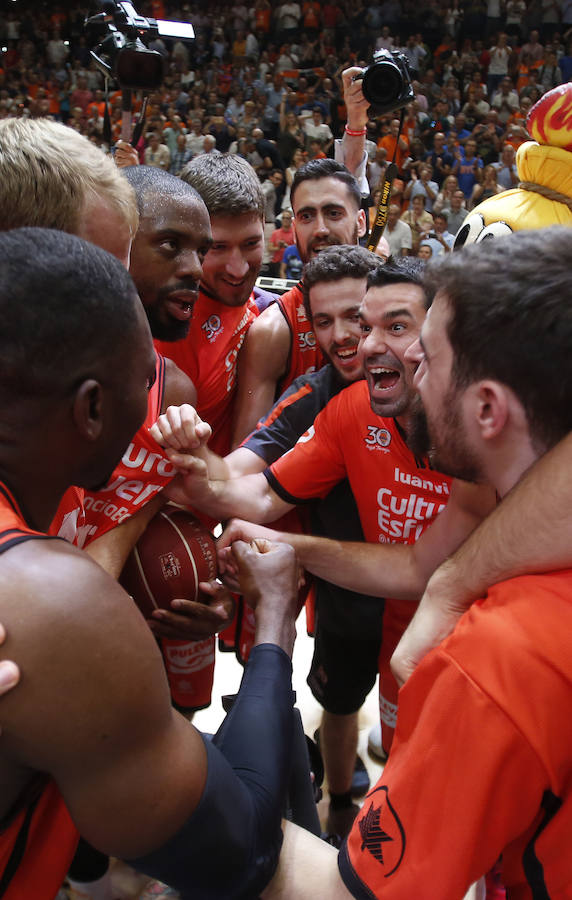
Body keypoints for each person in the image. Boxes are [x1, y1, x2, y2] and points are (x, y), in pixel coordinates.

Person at [256, 225, 572, 899]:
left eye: (426, 357)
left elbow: (350, 891)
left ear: (487, 408)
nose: (401, 367)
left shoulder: (498, 657)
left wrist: (179, 788)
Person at [0, 227, 299, 900]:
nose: (155, 401)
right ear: (93, 407)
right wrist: (276, 618)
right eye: (144, 382)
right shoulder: (51, 604)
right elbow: (242, 850)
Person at [151, 264, 494, 762]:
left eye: (395, 326)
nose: (365, 342)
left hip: (488, 651)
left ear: (443, 339)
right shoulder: (346, 407)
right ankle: (342, 799)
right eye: (365, 325)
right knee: (393, 756)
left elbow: (420, 568)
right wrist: (200, 481)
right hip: (385, 623)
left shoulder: (488, 430)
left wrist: (283, 545)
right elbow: (261, 494)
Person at [153, 245, 384, 839]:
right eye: (324, 321)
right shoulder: (319, 397)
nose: (341, 335)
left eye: (355, 317)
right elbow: (240, 480)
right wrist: (192, 449)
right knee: (340, 705)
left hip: (422, 594)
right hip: (350, 597)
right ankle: (339, 804)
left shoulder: (437, 396)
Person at [231, 159, 366, 445]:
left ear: (361, 222)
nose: (320, 229)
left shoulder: (397, 304)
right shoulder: (273, 331)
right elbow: (246, 451)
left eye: (333, 213)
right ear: (294, 229)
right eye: (307, 216)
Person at [155, 153, 265, 458]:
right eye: (218, 247)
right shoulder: (168, 328)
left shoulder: (266, 305)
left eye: (251, 244)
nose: (238, 269)